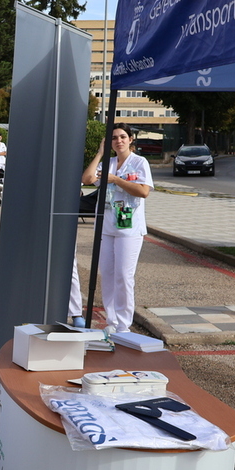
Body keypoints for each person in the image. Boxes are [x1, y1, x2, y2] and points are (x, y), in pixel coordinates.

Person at [81, 123, 153, 333]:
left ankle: (124, 324)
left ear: (131, 139)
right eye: (114, 138)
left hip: (129, 229)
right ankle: (111, 321)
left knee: (123, 275)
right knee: (108, 274)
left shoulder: (139, 162)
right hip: (106, 226)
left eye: (123, 137)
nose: (119, 141)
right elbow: (86, 179)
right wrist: (100, 154)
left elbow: (143, 191)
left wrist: (116, 180)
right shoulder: (108, 163)